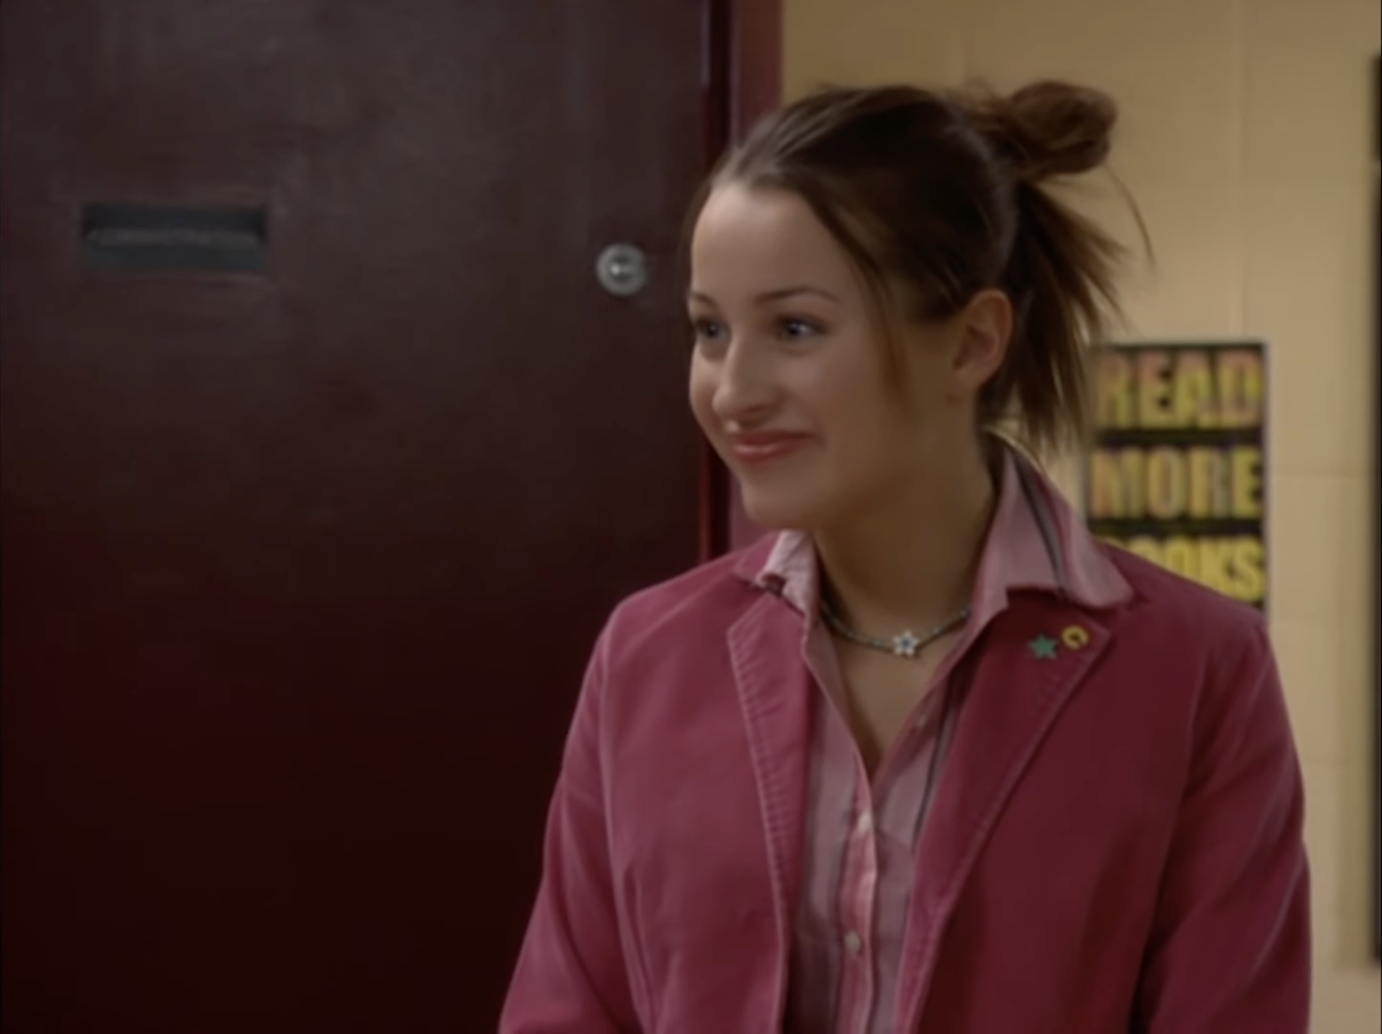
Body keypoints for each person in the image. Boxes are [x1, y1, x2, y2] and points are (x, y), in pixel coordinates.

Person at [499, 80, 1310, 1033]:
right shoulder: (648, 656)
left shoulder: (1197, 671)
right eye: (711, 329)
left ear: (971, 344)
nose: (732, 391)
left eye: (794, 328)